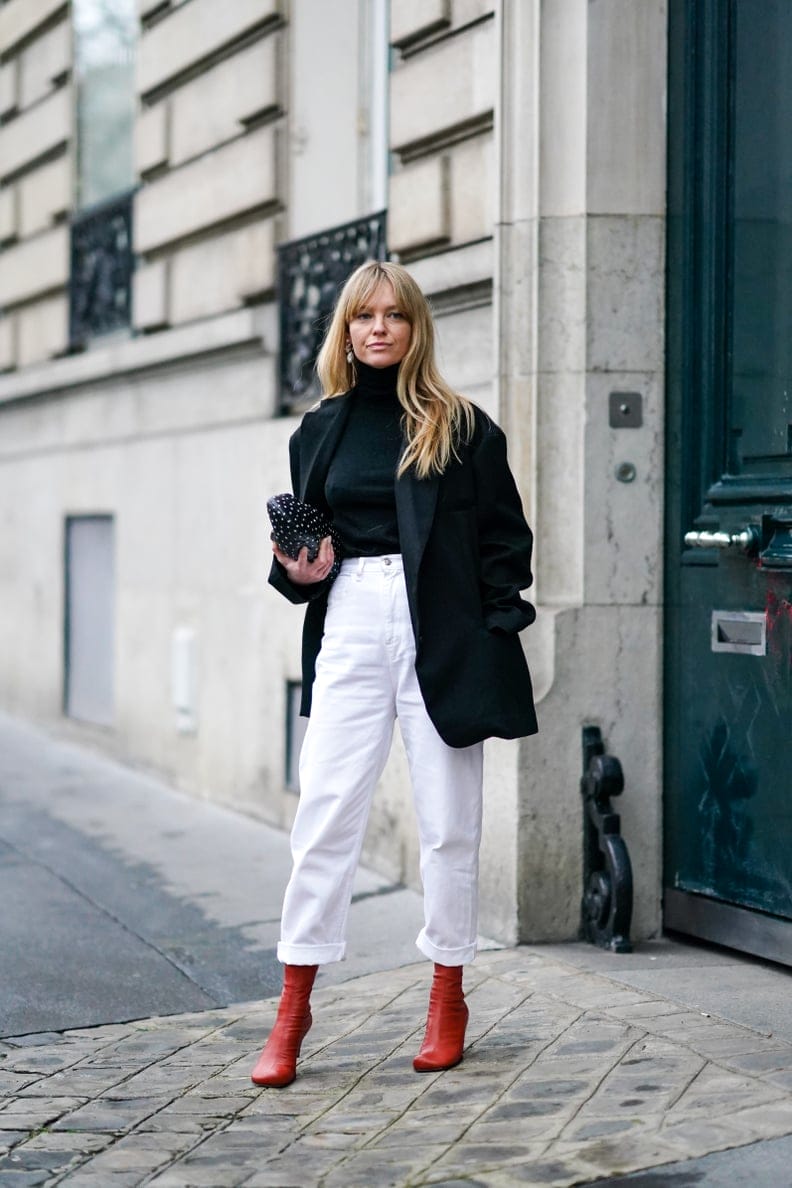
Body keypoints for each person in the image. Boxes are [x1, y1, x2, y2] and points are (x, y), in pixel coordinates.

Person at [251, 261, 537, 1088]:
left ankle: (448, 994)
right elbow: (298, 555)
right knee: (326, 818)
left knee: (449, 823)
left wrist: (493, 631)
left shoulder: (461, 427)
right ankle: (293, 1007)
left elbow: (504, 544)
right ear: (345, 331)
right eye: (363, 316)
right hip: (348, 621)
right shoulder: (321, 430)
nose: (378, 328)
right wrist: (299, 571)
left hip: (438, 631)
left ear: (416, 328)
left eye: (394, 315)